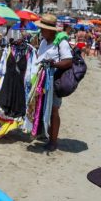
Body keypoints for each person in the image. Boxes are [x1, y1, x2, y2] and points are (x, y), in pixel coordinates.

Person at [33, 15, 73, 153]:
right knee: (43, 108)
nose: (41, 31)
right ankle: (44, 133)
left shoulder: (61, 42)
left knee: (54, 110)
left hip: (55, 80)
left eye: (43, 29)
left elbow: (68, 61)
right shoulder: (44, 42)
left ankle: (53, 141)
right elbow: (39, 58)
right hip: (42, 80)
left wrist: (54, 64)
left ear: (50, 30)